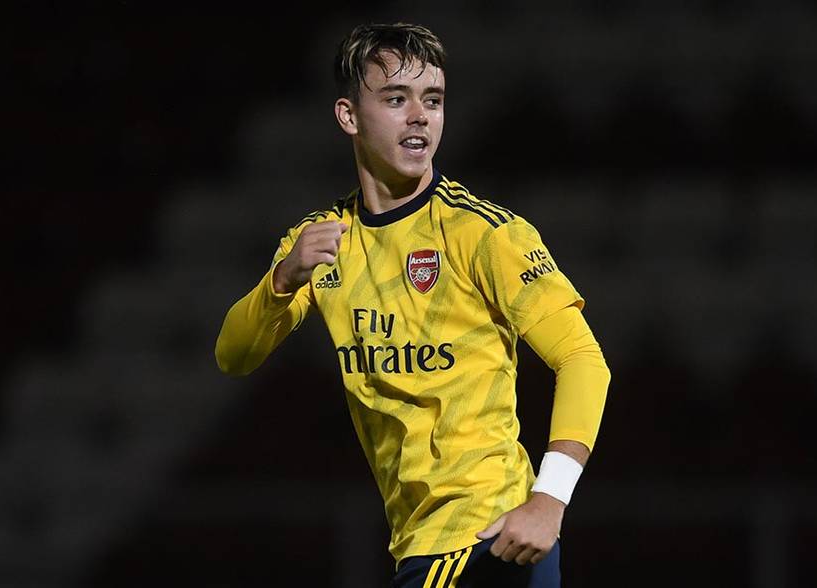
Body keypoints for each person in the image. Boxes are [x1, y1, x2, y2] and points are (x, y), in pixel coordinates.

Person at [215, 23, 610, 588]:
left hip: (480, 538)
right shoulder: (321, 243)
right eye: (396, 100)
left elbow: (583, 359)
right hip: (425, 544)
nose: (419, 116)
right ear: (349, 116)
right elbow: (233, 354)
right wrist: (284, 277)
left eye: (433, 100)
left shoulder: (484, 233)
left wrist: (549, 498)